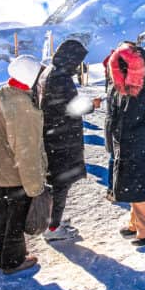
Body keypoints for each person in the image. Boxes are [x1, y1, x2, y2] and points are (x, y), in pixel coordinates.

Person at [0, 56, 47, 274]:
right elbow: (26, 149)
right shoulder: (22, 105)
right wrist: (35, 186)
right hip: (16, 171)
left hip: (1, 167)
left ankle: (4, 257)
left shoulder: (6, 92)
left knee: (4, 215)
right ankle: (13, 260)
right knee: (16, 218)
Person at [106, 44, 145, 247]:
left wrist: (136, 134)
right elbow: (112, 114)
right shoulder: (118, 85)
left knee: (139, 189)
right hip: (125, 145)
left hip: (141, 146)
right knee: (132, 186)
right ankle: (135, 223)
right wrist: (115, 135)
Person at [42, 40, 96, 240]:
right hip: (62, 139)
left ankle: (52, 220)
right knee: (60, 184)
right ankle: (52, 227)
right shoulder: (61, 78)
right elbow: (71, 108)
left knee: (57, 183)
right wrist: (92, 104)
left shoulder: (52, 72)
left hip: (55, 136)